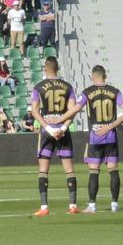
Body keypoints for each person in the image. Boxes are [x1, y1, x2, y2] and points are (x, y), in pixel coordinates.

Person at [72, 65, 123, 213]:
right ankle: (115, 204)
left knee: (93, 171)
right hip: (111, 136)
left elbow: (76, 108)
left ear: (92, 77)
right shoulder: (114, 91)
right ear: (105, 76)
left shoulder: (87, 92)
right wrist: (113, 125)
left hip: (95, 137)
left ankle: (92, 205)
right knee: (113, 170)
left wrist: (62, 120)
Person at [29, 56, 81, 216]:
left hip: (47, 131)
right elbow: (72, 110)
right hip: (63, 130)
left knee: (43, 170)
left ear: (45, 68)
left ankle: (44, 207)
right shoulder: (67, 86)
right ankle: (73, 205)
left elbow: (34, 111)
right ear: (57, 68)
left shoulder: (39, 87)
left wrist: (48, 128)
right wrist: (64, 126)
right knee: (69, 169)